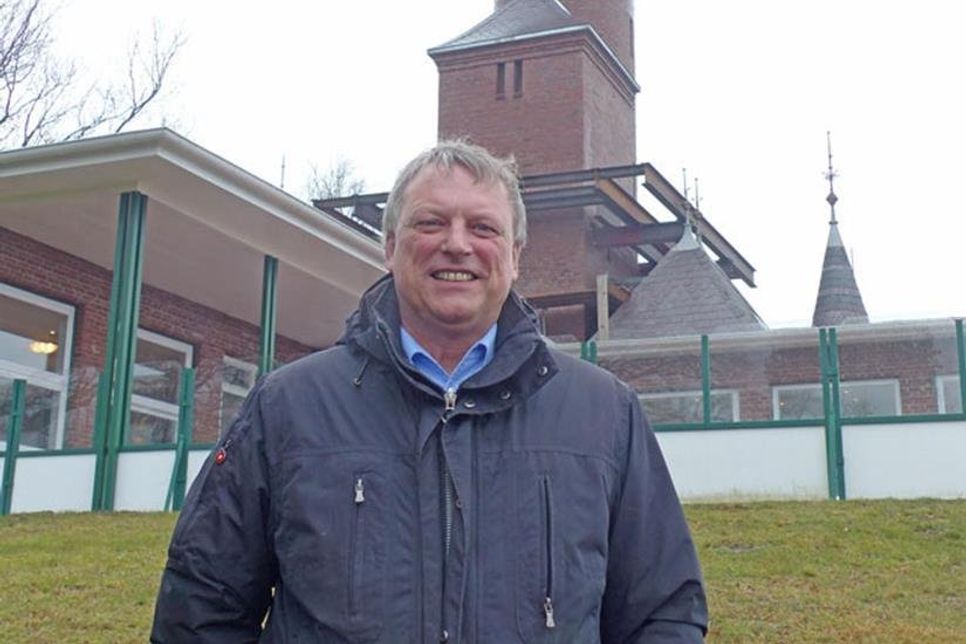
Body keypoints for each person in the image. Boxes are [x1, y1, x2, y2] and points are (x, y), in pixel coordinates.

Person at [151, 140, 708, 642]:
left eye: (483, 228)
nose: (457, 245)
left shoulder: (604, 414)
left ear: (515, 257)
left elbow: (663, 612)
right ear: (390, 247)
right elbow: (201, 606)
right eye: (431, 223)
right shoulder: (287, 406)